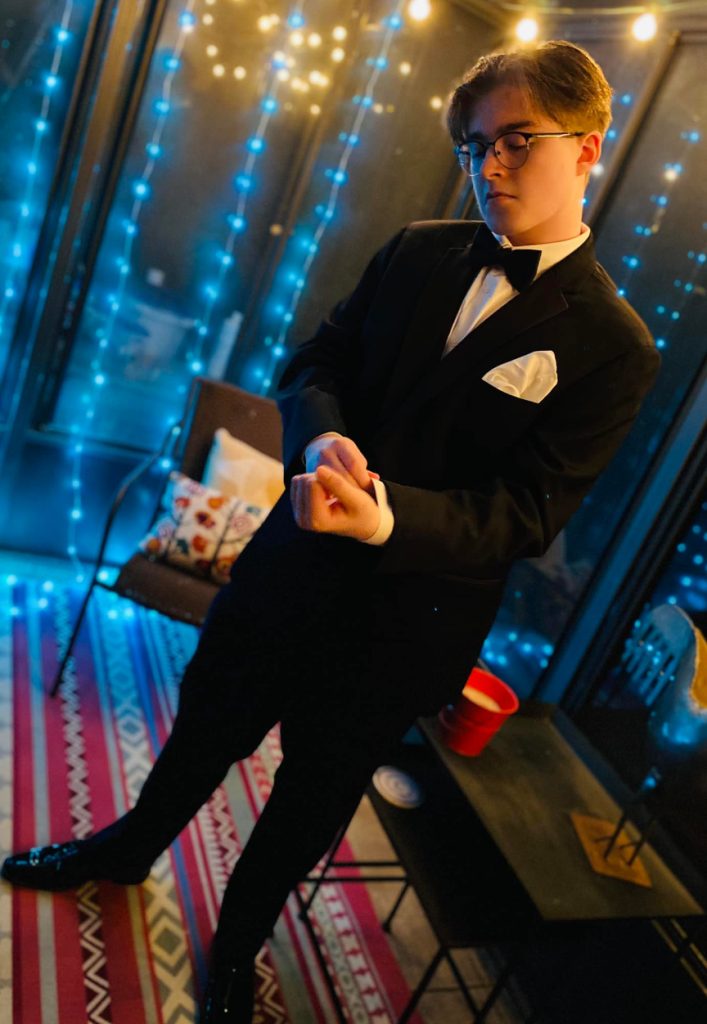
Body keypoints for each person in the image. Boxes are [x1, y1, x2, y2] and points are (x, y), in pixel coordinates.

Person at [1, 39, 662, 1022]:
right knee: (204, 730)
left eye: (515, 140)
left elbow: (525, 513)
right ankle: (126, 849)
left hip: (407, 628)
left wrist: (386, 515)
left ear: (589, 146)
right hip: (289, 567)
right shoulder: (417, 248)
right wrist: (319, 441)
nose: (486, 166)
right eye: (472, 145)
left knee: (309, 801)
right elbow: (315, 361)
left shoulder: (615, 346)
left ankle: (235, 948)